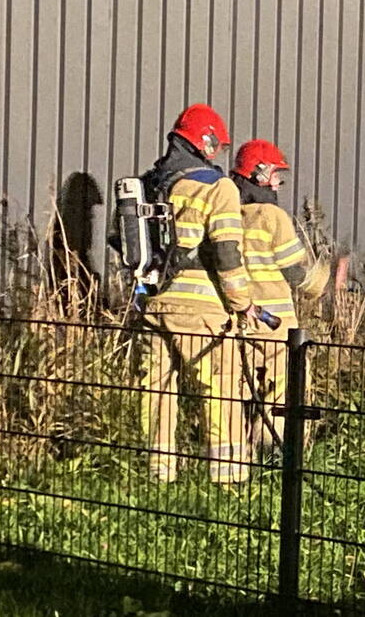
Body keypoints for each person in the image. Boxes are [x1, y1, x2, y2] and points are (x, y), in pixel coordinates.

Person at [139, 103, 259, 484]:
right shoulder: (218, 186)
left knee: (156, 390)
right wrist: (243, 304)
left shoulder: (150, 184)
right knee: (219, 389)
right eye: (217, 146)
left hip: (153, 302)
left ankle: (157, 476)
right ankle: (229, 481)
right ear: (205, 142)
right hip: (201, 307)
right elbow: (226, 252)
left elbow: (119, 238)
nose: (218, 153)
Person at [228, 139, 327, 456]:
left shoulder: (228, 213)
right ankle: (273, 457)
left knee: (238, 392)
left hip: (238, 319)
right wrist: (324, 282)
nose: (278, 182)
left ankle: (237, 458)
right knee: (279, 392)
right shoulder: (272, 217)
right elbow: (295, 272)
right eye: (274, 174)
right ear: (259, 174)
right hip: (276, 326)